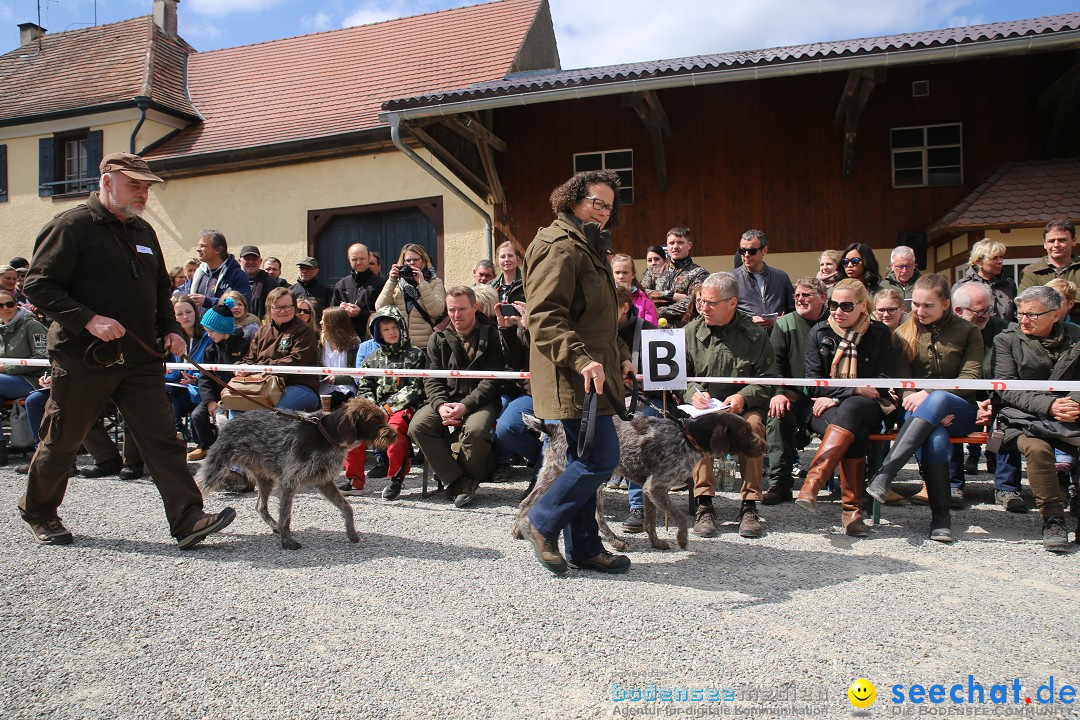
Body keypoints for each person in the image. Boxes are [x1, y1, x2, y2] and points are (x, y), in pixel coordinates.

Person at [18, 151, 235, 547]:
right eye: (134, 184)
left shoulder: (143, 232)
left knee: (162, 440)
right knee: (63, 439)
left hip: (138, 358)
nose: (142, 193)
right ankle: (39, 511)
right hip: (83, 357)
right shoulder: (71, 226)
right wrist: (87, 319)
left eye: (146, 186)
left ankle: (188, 520)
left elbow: (160, 292)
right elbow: (37, 285)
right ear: (107, 181)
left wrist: (171, 329)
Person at [516, 169, 635, 576]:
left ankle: (584, 547)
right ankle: (540, 520)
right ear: (571, 200)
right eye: (595, 203)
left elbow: (598, 319)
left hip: (593, 372)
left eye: (609, 206)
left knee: (584, 459)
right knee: (602, 457)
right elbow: (545, 318)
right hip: (571, 374)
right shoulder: (559, 246)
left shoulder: (588, 244)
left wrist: (620, 354)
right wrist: (583, 361)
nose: (603, 212)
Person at [866, 274, 983, 542]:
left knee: (939, 400)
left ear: (945, 303)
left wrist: (929, 395)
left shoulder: (969, 332)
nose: (919, 311)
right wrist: (924, 401)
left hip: (959, 409)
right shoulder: (902, 334)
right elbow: (903, 382)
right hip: (916, 411)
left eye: (928, 305)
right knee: (936, 437)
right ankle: (941, 518)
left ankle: (886, 474)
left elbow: (971, 379)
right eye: (916, 304)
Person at [796, 279, 895, 536]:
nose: (837, 311)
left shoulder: (879, 333)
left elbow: (883, 384)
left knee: (852, 409)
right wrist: (851, 390)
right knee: (855, 431)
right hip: (823, 409)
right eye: (833, 304)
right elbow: (813, 384)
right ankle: (852, 512)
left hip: (870, 407)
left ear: (863, 306)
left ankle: (812, 484)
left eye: (846, 306)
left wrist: (840, 396)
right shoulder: (819, 332)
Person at [683, 272, 776, 539]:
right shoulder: (690, 332)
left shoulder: (755, 336)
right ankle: (704, 505)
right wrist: (693, 393)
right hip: (705, 408)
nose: (704, 308)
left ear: (732, 303)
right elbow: (676, 378)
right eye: (701, 302)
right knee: (696, 428)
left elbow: (769, 379)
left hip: (742, 407)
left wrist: (743, 397)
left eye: (711, 303)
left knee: (754, 426)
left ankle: (749, 506)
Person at [992, 285, 1080, 551]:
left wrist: (1075, 403)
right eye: (1020, 314)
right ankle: (1053, 519)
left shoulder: (1077, 337)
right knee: (1038, 449)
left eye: (1032, 314)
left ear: (1055, 315)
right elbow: (1006, 387)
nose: (1023, 320)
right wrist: (1050, 404)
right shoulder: (1005, 340)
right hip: (1022, 419)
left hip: (1070, 415)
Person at [409, 286, 506, 508]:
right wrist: (441, 405)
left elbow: (492, 381)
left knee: (476, 430)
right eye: (451, 310)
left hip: (480, 401)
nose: (456, 315)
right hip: (445, 399)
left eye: (462, 309)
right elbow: (431, 379)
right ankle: (459, 480)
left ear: (475, 307)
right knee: (418, 426)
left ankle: (462, 479)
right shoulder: (437, 336)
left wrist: (464, 406)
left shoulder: (492, 335)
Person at [350, 306, 427, 500]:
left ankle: (395, 479)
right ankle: (354, 481)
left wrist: (387, 409)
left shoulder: (416, 355)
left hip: (403, 407)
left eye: (394, 327)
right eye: (386, 329)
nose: (391, 332)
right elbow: (365, 388)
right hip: (375, 409)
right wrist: (372, 409)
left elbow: (415, 388)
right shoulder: (371, 360)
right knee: (353, 430)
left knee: (395, 430)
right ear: (378, 333)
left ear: (401, 327)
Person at [762, 277, 827, 505]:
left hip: (828, 397)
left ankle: (846, 482)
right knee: (777, 416)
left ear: (823, 298)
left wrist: (832, 397)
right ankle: (780, 483)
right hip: (792, 394)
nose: (800, 299)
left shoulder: (835, 322)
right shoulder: (784, 324)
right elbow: (774, 364)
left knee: (846, 422)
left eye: (806, 295)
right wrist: (779, 391)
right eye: (797, 295)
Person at [186, 300, 250, 462]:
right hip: (215, 396)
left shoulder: (243, 346)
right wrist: (209, 402)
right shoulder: (210, 350)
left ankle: (229, 450)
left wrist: (226, 398)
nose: (209, 335)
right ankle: (207, 445)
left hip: (235, 394)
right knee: (197, 415)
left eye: (212, 331)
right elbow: (205, 378)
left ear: (223, 328)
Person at [240, 286, 320, 411]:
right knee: (235, 406)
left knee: (263, 409)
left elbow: (296, 361)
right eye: (277, 307)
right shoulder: (262, 332)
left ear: (294, 307)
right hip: (263, 384)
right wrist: (241, 368)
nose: (283, 311)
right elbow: (250, 359)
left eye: (287, 306)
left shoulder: (305, 331)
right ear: (269, 309)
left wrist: (260, 367)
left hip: (299, 385)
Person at [0, 288, 48, 464]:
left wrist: (7, 368)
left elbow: (43, 357)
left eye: (10, 304)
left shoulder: (31, 324)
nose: (5, 308)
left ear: (16, 304)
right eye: (0, 305)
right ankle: (1, 450)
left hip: (36, 380)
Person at [376, 243, 446, 350]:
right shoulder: (397, 284)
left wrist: (422, 283)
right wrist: (391, 281)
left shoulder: (434, 282)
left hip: (425, 346)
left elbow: (437, 311)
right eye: (408, 260)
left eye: (415, 259)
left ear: (424, 261)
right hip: (400, 345)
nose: (411, 263)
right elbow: (380, 308)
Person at [163, 294, 212, 440]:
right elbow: (172, 376)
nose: (185, 317)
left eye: (189, 312)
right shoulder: (171, 339)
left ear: (196, 313)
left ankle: (177, 434)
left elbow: (211, 369)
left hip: (198, 389)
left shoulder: (208, 337)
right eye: (179, 314)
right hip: (176, 388)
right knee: (165, 392)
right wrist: (168, 371)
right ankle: (177, 432)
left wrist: (195, 378)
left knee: (168, 395)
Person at [1018, 219, 1080, 324]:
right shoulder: (1031, 272)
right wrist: (1069, 297)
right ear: (1045, 244)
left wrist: (1045, 300)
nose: (1056, 245)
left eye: (1062, 240)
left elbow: (1037, 300)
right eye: (1051, 241)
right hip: (1043, 331)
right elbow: (1025, 302)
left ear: (1074, 240)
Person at [732, 229, 795, 331]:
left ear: (764, 250)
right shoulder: (731, 279)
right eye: (742, 251)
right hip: (746, 338)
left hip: (776, 338)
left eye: (752, 251)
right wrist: (748, 321)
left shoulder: (781, 278)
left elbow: (793, 310)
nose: (746, 255)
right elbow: (724, 313)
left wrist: (783, 320)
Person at [652, 228, 709, 328]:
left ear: (689, 245)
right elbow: (642, 293)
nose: (675, 246)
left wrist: (658, 311)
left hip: (684, 330)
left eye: (680, 242)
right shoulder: (654, 271)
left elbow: (693, 302)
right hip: (654, 329)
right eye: (671, 243)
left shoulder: (699, 273)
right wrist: (671, 296)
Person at [187, 229, 252, 312]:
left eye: (203, 246)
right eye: (199, 246)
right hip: (198, 325)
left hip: (226, 325)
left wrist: (209, 302)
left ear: (218, 250)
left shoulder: (236, 275)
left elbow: (244, 303)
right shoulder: (198, 274)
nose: (198, 249)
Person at [955, 239, 1016, 323]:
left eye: (1001, 257)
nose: (1000, 261)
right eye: (994, 258)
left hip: (1006, 335)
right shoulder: (962, 286)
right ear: (979, 262)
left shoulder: (1009, 284)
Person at [331, 243, 383, 340]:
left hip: (372, 338)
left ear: (368, 258)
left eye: (362, 259)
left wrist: (360, 313)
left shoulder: (381, 283)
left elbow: (385, 313)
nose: (358, 262)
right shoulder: (341, 285)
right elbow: (331, 314)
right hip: (345, 339)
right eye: (354, 259)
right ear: (349, 259)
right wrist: (340, 311)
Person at [609, 253, 658, 325]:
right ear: (611, 274)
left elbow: (650, 332)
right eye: (617, 272)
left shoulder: (645, 302)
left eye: (625, 272)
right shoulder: (605, 299)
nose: (621, 276)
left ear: (633, 275)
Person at [238, 245, 285, 319]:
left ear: (260, 261)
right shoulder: (234, 281)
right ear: (239, 261)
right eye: (247, 258)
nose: (251, 262)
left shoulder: (270, 282)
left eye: (254, 259)